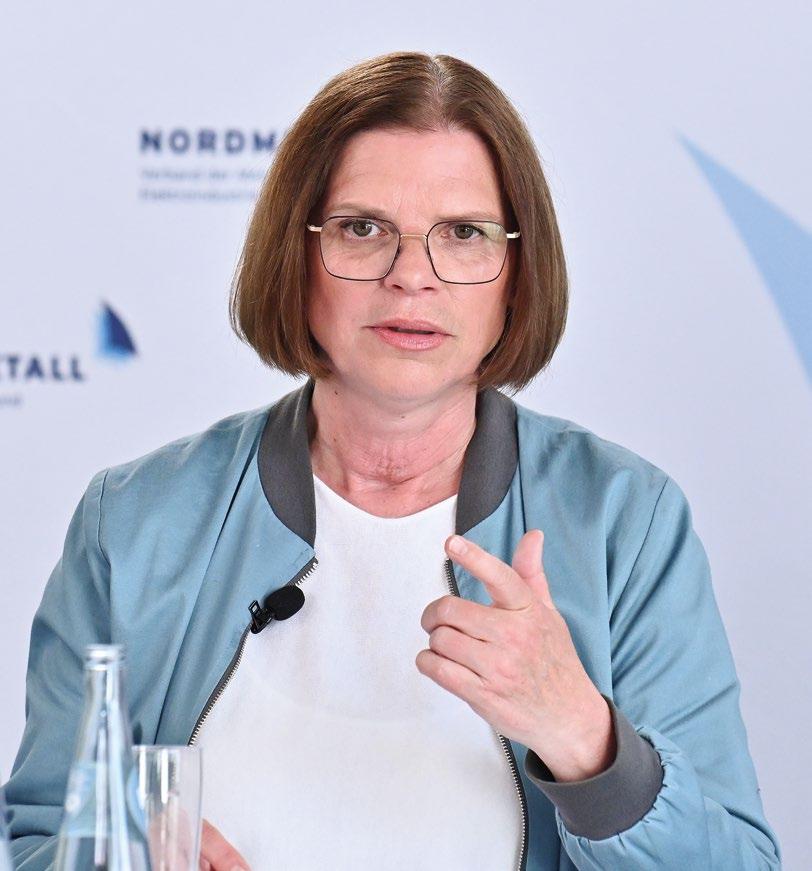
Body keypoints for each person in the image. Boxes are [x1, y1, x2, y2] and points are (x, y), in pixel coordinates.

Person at [6, 51, 781, 871]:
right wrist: (120, 860)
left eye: (465, 234)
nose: (412, 276)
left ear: (515, 276)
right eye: (363, 228)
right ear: (296, 256)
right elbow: (40, 838)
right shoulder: (134, 521)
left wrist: (584, 735)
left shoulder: (626, 521)